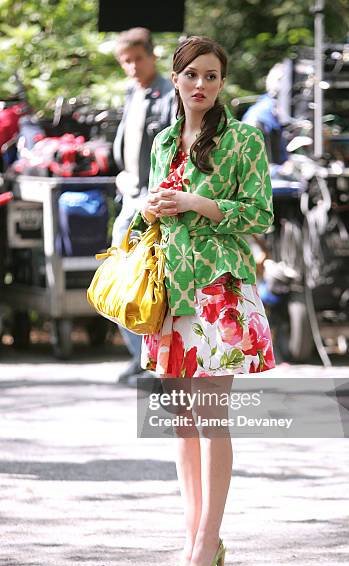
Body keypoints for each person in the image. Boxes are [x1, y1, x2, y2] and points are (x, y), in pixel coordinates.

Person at [135, 36, 276, 566]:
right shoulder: (163, 140)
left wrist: (196, 202)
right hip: (174, 292)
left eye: (212, 76)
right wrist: (149, 206)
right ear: (175, 78)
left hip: (221, 293)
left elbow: (260, 215)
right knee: (181, 425)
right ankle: (195, 536)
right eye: (192, 74)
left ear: (222, 83)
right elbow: (154, 219)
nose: (201, 85)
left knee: (212, 419)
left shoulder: (243, 139)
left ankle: (204, 543)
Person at [111, 27, 175, 386]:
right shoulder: (131, 94)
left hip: (152, 204)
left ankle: (153, 364)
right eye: (126, 61)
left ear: (152, 56)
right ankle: (140, 358)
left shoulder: (169, 96)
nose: (133, 66)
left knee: (150, 285)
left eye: (138, 58)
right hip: (129, 199)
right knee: (122, 281)